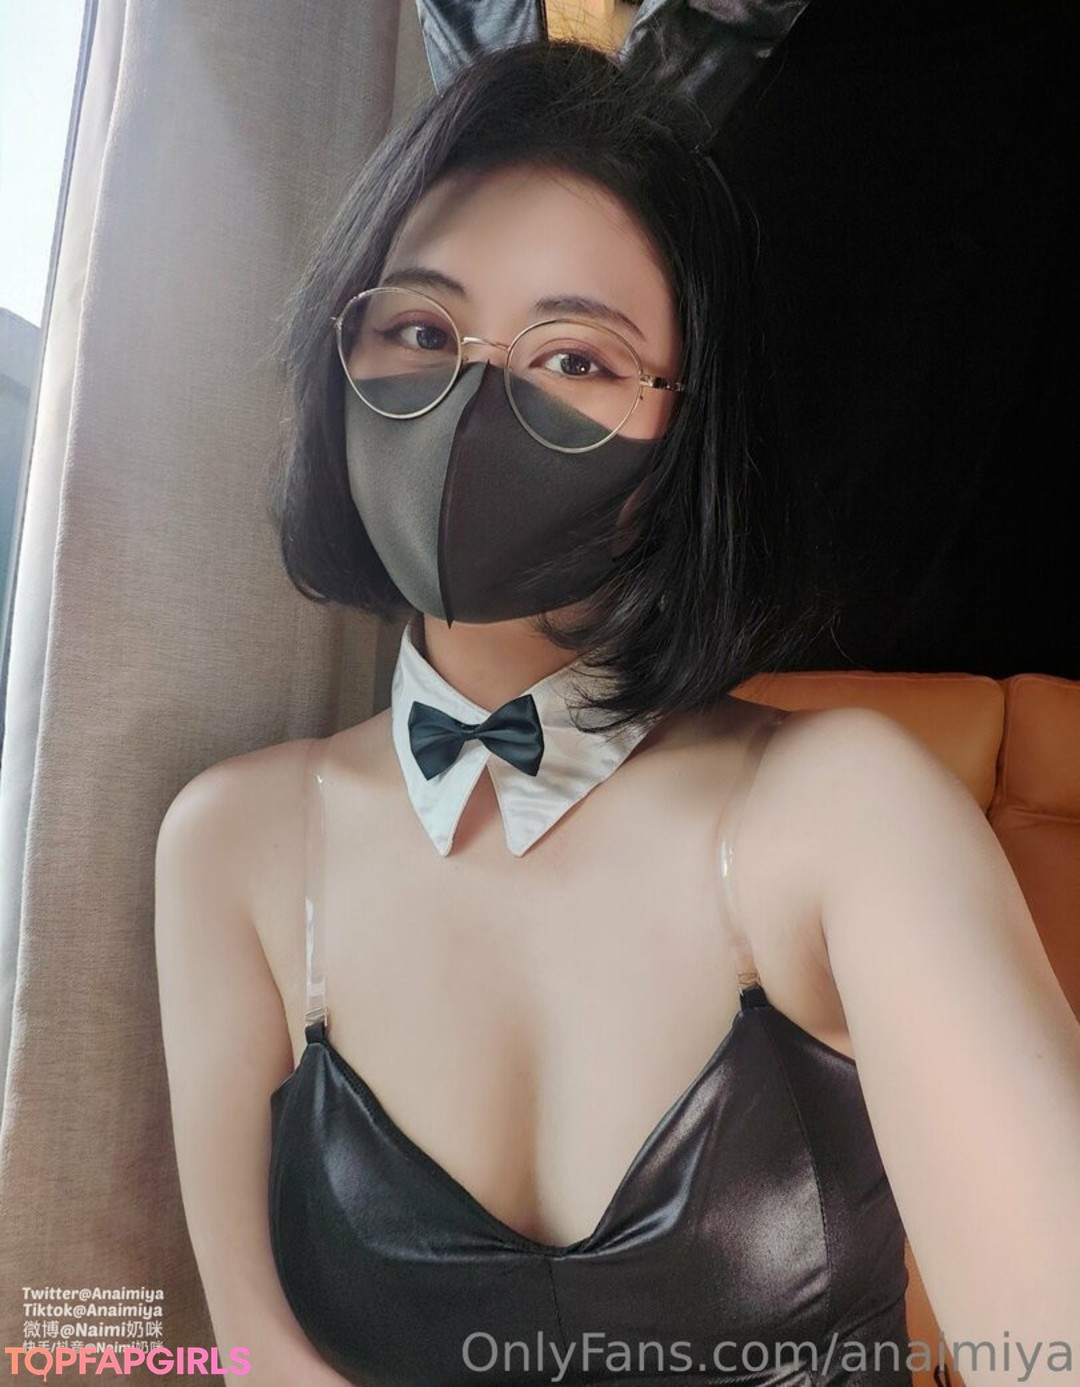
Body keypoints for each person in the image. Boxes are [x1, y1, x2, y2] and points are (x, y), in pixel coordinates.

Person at [154, 36, 1080, 1387]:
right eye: (423, 332)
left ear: (688, 440)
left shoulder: (843, 812)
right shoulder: (229, 845)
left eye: (576, 358)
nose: (475, 400)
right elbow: (257, 1356)